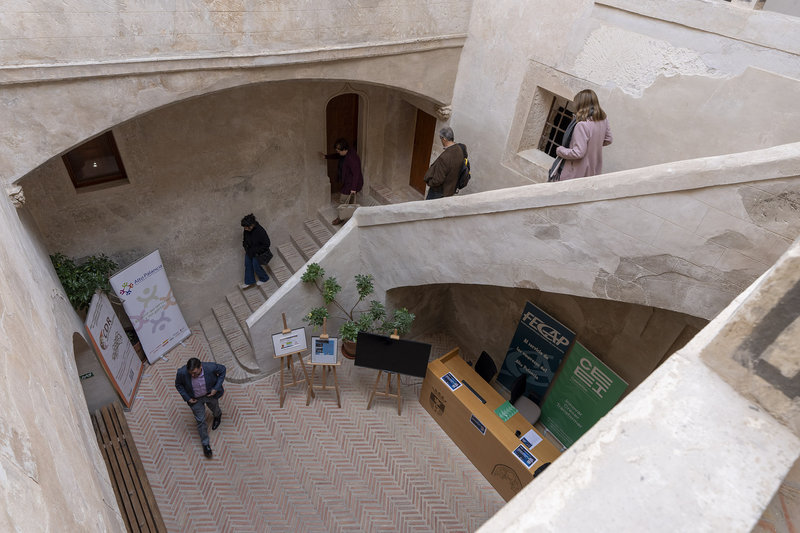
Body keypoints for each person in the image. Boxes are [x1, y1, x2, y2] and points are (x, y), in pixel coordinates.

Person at [555, 89, 613, 180]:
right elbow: (608, 139)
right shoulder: (603, 119)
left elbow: (578, 153)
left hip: (577, 172)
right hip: (593, 169)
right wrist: (593, 145)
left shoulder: (582, 125)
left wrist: (560, 150)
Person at [175, 357, 226, 458]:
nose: (193, 375)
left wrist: (216, 388)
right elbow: (178, 385)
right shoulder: (182, 372)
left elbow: (223, 369)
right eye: (191, 373)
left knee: (215, 408)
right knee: (200, 421)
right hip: (195, 400)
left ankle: (217, 416)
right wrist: (188, 398)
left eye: (195, 373)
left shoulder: (210, 367)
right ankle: (205, 444)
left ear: (200, 367)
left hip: (210, 395)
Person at [321, 138, 363, 225]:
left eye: (338, 151)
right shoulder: (345, 152)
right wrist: (326, 156)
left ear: (344, 149)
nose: (338, 153)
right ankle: (348, 217)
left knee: (344, 201)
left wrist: (353, 189)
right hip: (348, 181)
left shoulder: (352, 158)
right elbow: (337, 155)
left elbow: (356, 174)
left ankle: (342, 218)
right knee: (349, 202)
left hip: (351, 183)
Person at [424, 127, 464, 200]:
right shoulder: (460, 149)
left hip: (438, 192)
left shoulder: (444, 158)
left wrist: (430, 182)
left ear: (444, 139)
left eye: (441, 138)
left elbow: (438, 180)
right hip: (450, 190)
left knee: (429, 208)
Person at [240, 213, 270, 289]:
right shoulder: (246, 230)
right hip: (249, 251)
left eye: (246, 227)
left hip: (259, 252)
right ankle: (249, 281)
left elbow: (267, 244)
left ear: (251, 225)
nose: (245, 229)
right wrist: (245, 247)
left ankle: (264, 278)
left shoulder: (260, 231)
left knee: (256, 265)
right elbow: (245, 240)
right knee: (247, 264)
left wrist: (255, 251)